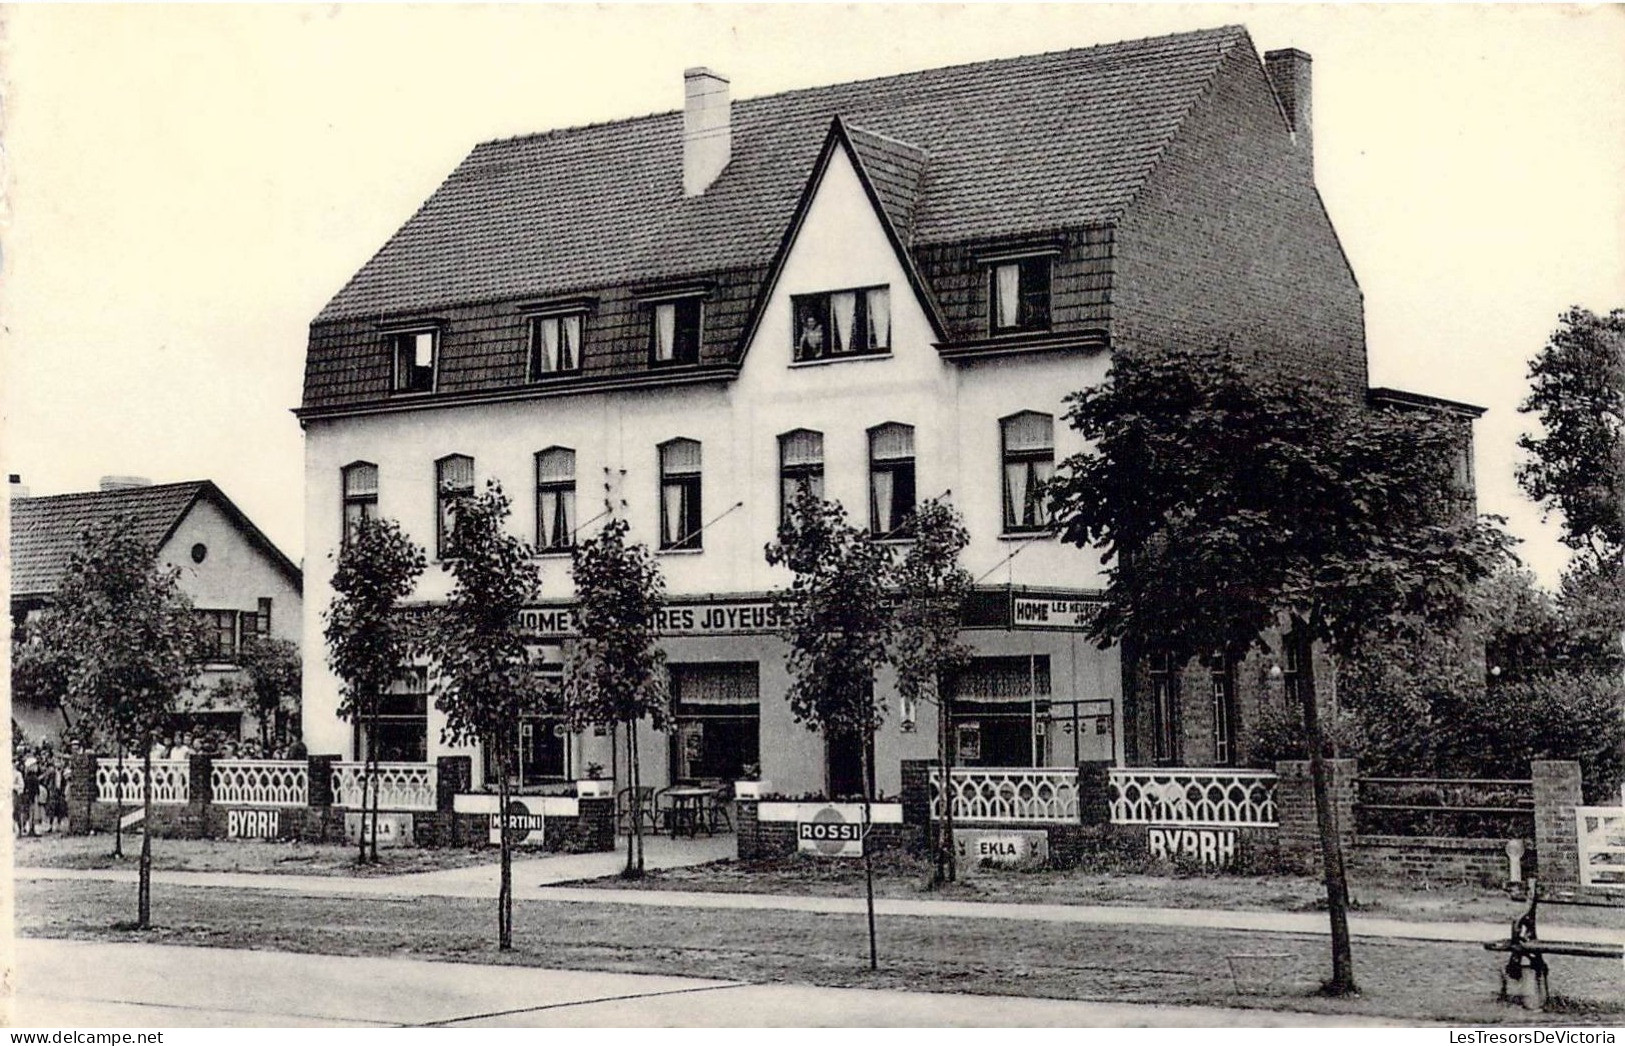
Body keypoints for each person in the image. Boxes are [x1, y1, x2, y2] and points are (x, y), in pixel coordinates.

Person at [20, 756, 41, 837]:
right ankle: (31, 829)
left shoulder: (26, 777)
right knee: (32, 813)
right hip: (32, 797)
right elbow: (35, 789)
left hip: (27, 797)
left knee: (28, 813)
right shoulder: (34, 778)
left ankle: (28, 828)